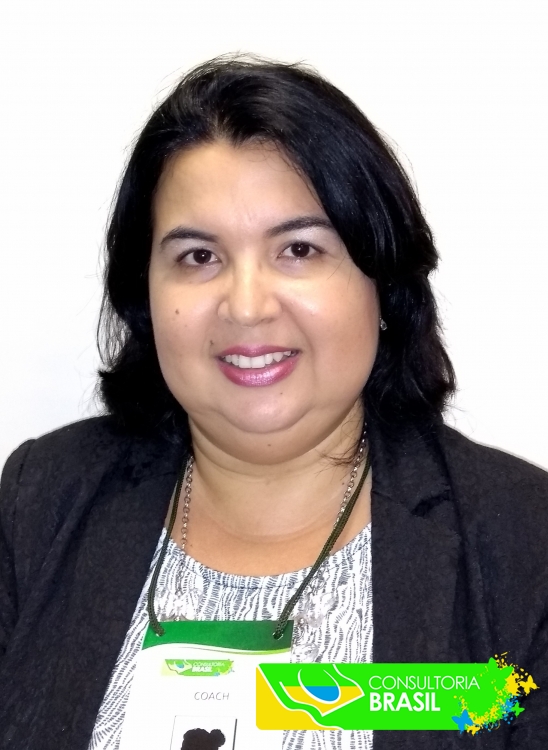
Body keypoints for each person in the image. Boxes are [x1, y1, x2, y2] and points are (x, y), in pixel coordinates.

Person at [0, 55, 547, 750]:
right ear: (145, 296)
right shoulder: (42, 501)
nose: (247, 306)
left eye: (298, 249)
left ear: (381, 283)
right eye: (199, 257)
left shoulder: (521, 541)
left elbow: (500, 707)